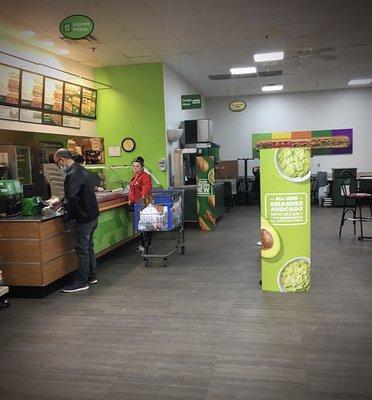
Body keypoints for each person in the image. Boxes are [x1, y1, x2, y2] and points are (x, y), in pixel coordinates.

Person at [51, 148, 99, 293]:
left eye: (57, 164)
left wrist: (67, 215)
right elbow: (77, 194)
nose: (59, 167)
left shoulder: (72, 175)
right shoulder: (81, 169)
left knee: (81, 250)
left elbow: (73, 199)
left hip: (82, 218)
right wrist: (61, 200)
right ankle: (91, 275)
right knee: (88, 247)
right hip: (92, 216)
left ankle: (81, 281)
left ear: (62, 159)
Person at [128, 156, 152, 252]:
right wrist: (130, 199)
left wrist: (143, 195)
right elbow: (132, 190)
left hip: (142, 204)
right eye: (133, 166)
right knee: (142, 225)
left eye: (137, 166)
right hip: (136, 204)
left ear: (141, 167)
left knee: (144, 225)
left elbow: (147, 185)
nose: (135, 168)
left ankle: (145, 245)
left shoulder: (144, 176)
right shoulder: (134, 177)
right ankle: (144, 245)